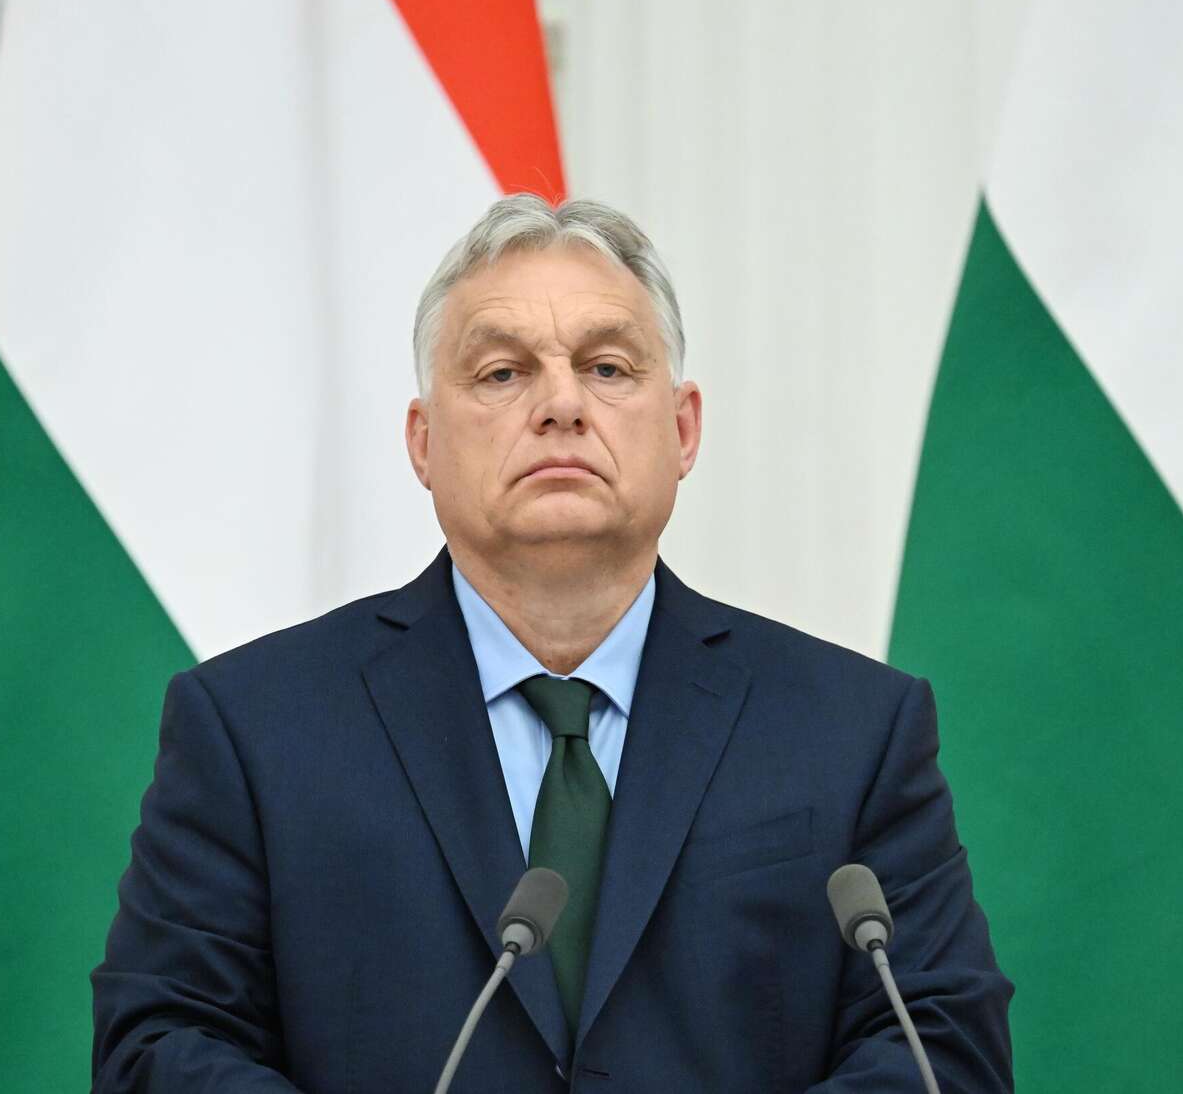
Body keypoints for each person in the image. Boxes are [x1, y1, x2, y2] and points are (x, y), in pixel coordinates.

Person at [92, 195, 1013, 1091]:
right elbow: (159, 1045)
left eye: (608, 368)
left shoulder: (850, 731)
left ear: (683, 429)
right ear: (423, 442)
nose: (562, 404)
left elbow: (943, 1050)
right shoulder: (255, 728)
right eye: (502, 373)